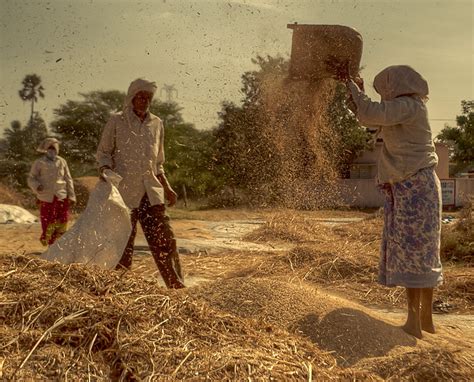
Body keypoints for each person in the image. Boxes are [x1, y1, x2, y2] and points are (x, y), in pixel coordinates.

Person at [345, 65, 443, 339]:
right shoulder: (410, 108)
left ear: (395, 87)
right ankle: (426, 319)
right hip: (418, 186)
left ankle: (414, 322)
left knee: (415, 256)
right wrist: (357, 93)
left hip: (414, 188)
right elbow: (369, 118)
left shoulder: (407, 106)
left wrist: (352, 87)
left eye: (384, 90)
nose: (384, 95)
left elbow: (372, 113)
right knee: (425, 254)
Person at [96, 78, 184, 289]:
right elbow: (103, 153)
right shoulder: (117, 121)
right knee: (124, 242)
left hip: (151, 191)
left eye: (149, 98)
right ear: (132, 98)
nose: (145, 101)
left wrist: (167, 187)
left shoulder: (157, 123)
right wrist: (105, 170)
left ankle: (176, 286)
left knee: (165, 239)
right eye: (141, 97)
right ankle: (120, 287)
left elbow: (158, 163)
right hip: (123, 192)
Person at [27, 137, 76, 246]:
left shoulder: (62, 161)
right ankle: (50, 243)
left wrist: (72, 196)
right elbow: (31, 178)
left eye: (54, 148)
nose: (52, 151)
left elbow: (68, 179)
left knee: (62, 220)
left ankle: (59, 244)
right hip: (45, 197)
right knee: (47, 221)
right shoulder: (39, 162)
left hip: (61, 196)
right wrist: (37, 186)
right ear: (45, 149)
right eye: (49, 148)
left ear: (57, 149)